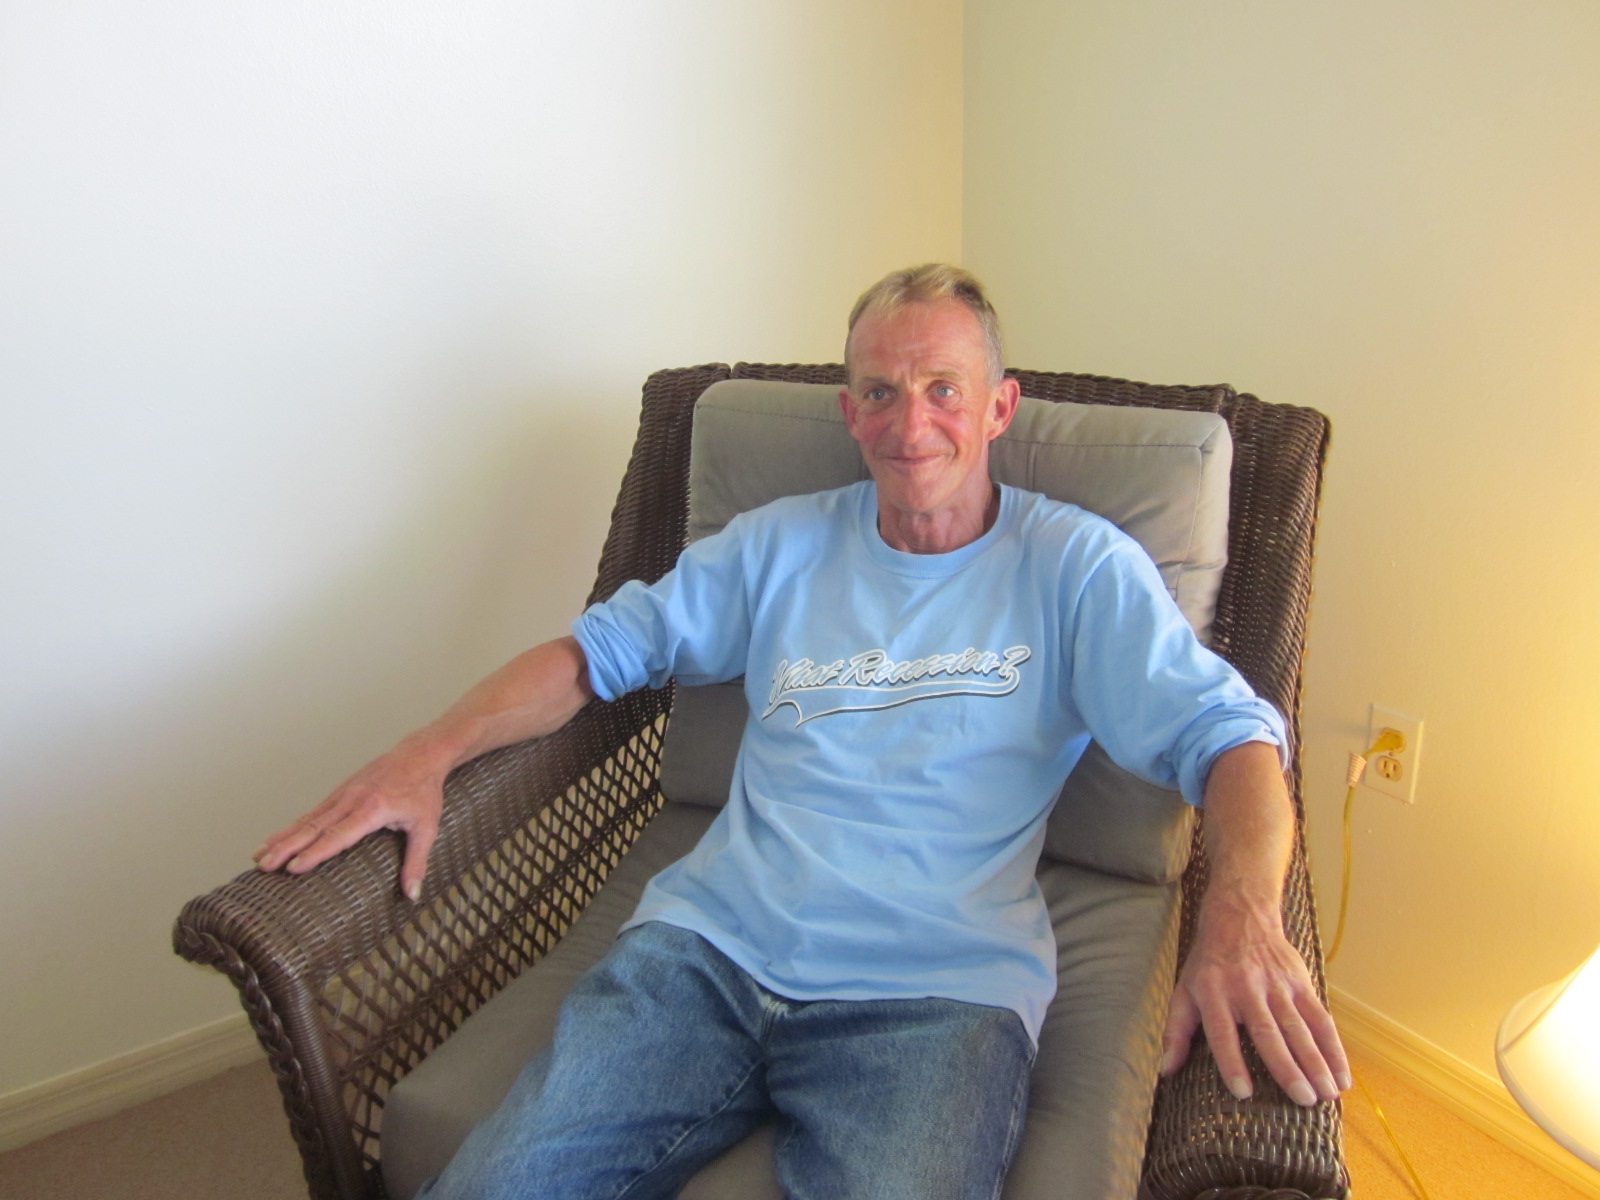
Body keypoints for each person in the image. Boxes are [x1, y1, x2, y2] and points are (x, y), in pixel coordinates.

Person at [256, 264, 1350, 1200]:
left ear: (1000, 407)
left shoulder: (1075, 568)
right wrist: (426, 752)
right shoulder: (775, 546)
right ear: (848, 411)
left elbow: (1229, 737)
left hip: (937, 999)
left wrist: (1242, 911)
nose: (910, 424)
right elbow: (592, 656)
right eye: (880, 391)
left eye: (943, 388)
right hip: (705, 958)